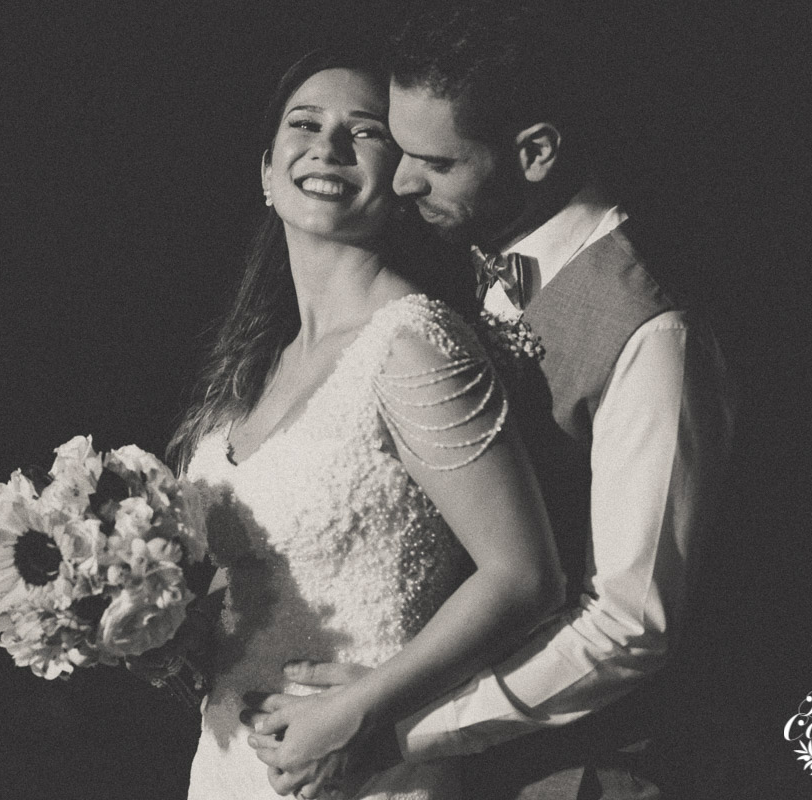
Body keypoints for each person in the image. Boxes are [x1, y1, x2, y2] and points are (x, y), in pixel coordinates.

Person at [243, 5, 736, 799]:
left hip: (589, 771)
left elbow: (630, 627)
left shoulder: (652, 331)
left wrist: (399, 727)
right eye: (398, 150)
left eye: (434, 162)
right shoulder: (467, 258)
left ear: (535, 152)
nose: (403, 182)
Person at [169, 47, 566, 800]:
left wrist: (364, 711)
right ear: (265, 170)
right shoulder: (250, 372)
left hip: (365, 771)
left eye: (364, 132)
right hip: (231, 771)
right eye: (306, 124)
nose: (327, 146)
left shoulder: (411, 344)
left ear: (402, 177)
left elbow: (526, 577)